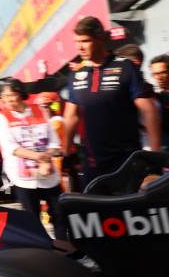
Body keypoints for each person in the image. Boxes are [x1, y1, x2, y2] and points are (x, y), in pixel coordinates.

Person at [62, 16, 161, 183]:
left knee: (131, 208)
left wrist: (156, 155)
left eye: (85, 41)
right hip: (92, 163)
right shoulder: (75, 75)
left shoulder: (125, 67)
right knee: (97, 208)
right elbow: (71, 116)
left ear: (100, 38)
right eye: (77, 42)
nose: (79, 47)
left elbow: (148, 110)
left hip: (127, 160)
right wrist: (65, 151)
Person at [0, 79, 69, 244]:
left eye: (11, 95)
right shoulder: (1, 118)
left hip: (48, 173)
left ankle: (65, 247)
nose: (7, 100)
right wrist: (39, 157)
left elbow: (55, 141)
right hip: (24, 178)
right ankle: (41, 250)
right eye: (4, 97)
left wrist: (47, 157)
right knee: (32, 217)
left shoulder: (40, 111)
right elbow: (11, 147)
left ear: (20, 93)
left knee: (59, 213)